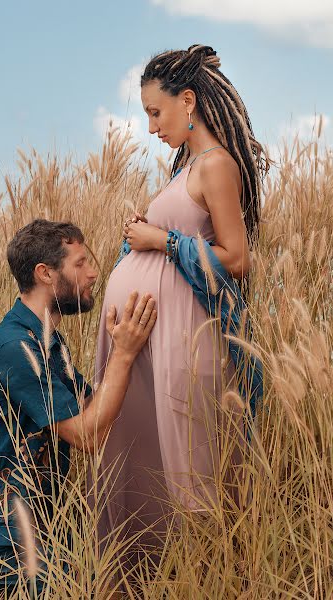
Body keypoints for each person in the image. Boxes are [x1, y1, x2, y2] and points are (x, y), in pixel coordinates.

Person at [94, 44, 268, 562]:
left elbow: (237, 259)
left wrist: (159, 241)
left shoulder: (216, 165)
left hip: (182, 340)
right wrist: (142, 235)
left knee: (189, 468)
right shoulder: (186, 166)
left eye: (155, 112)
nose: (150, 127)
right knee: (145, 460)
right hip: (151, 342)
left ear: (187, 100)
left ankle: (207, 576)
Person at [0, 218, 157, 595]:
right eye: (79, 263)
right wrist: (123, 355)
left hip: (31, 525)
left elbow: (93, 407)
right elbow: (87, 434)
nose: (93, 273)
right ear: (45, 273)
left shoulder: (47, 345)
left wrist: (130, 353)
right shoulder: (15, 347)